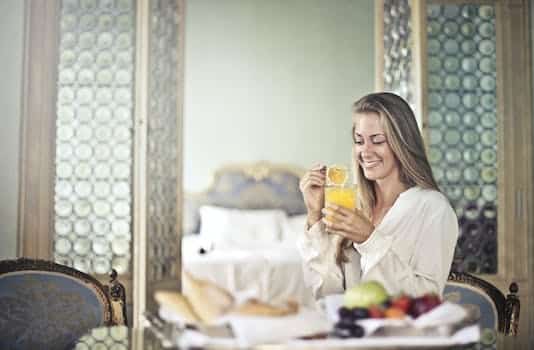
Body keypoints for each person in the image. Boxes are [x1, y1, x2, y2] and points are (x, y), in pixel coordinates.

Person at [297, 92, 459, 299]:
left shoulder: (433, 208)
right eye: (359, 140)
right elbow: (325, 294)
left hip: (400, 331)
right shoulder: (355, 205)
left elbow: (426, 299)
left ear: (402, 143)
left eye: (378, 140)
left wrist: (370, 239)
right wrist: (314, 216)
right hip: (350, 329)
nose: (366, 151)